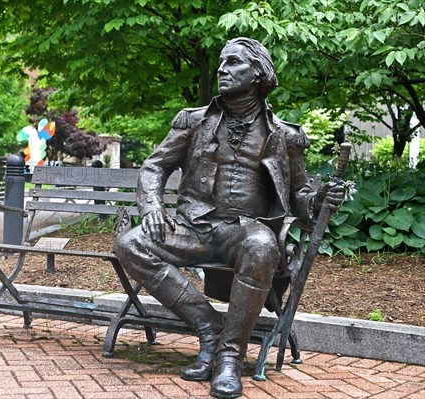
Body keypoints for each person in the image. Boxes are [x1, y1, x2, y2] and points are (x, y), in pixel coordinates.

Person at [114, 37, 344, 399]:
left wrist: (318, 201)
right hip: (192, 227)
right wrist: (153, 208)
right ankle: (210, 328)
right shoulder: (194, 121)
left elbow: (299, 195)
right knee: (130, 244)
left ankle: (229, 357)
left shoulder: (283, 134)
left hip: (244, 232)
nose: (222, 69)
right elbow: (154, 168)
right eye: (222, 63)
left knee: (261, 246)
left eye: (233, 63)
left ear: (257, 74)